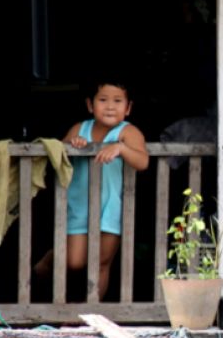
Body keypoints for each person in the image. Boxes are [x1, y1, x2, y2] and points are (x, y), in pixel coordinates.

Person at [34, 81, 149, 300]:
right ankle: (50, 259)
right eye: (103, 100)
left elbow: (143, 161)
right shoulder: (80, 128)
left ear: (128, 108)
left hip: (111, 206)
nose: (110, 106)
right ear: (90, 104)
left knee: (101, 263)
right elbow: (59, 151)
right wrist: (73, 144)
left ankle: (89, 311)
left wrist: (121, 148)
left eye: (117, 101)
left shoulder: (128, 132)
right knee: (74, 261)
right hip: (80, 205)